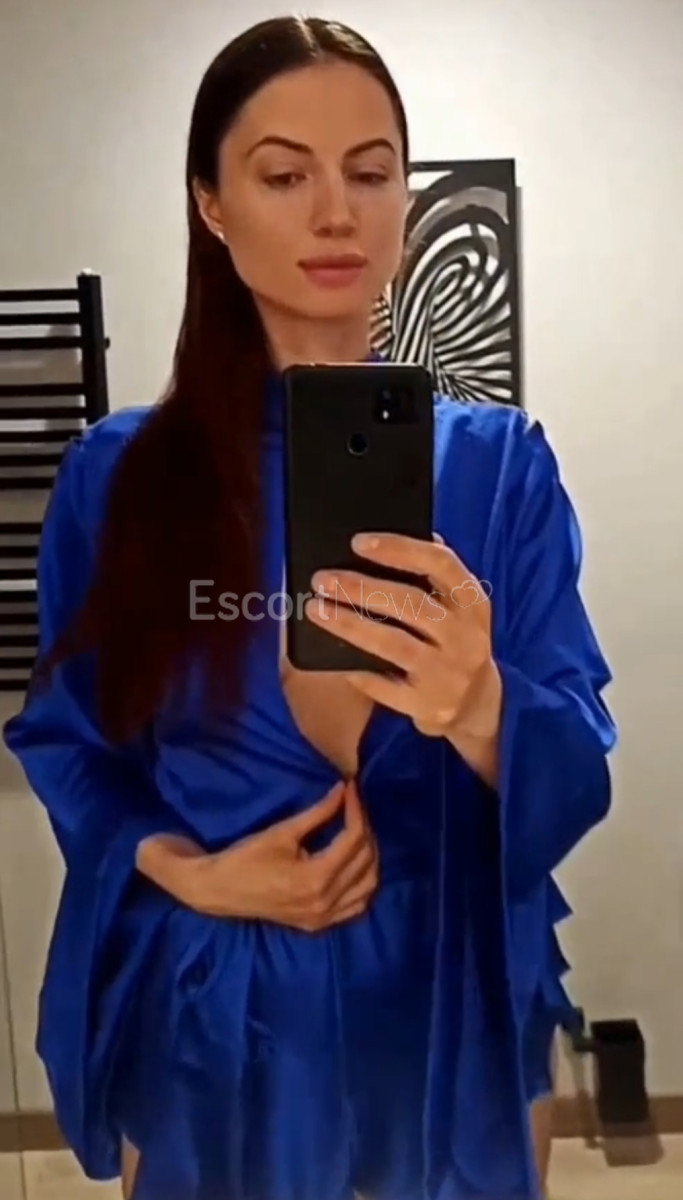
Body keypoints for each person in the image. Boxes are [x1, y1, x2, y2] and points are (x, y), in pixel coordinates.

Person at [2, 15, 616, 1200]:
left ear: (403, 200)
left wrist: (481, 706)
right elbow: (72, 745)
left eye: (369, 172)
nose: (335, 212)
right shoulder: (121, 478)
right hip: (215, 1010)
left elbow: (577, 767)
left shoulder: (499, 469)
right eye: (284, 176)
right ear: (211, 206)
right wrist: (190, 872)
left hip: (449, 1009)